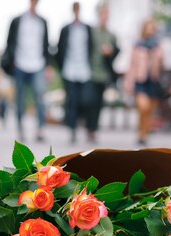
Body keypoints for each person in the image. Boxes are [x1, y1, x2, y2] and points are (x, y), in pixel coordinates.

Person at [2, 0, 50, 143]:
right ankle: (21, 129)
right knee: (20, 99)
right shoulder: (17, 21)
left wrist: (48, 65)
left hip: (38, 64)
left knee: (40, 97)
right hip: (20, 64)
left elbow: (46, 44)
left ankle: (40, 129)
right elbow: (9, 42)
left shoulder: (43, 21)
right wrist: (10, 62)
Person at [56, 2, 94, 144]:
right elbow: (59, 48)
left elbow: (91, 47)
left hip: (84, 70)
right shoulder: (66, 29)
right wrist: (61, 67)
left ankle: (85, 126)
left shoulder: (87, 29)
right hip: (69, 70)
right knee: (71, 102)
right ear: (73, 11)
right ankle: (72, 131)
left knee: (85, 100)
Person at [124, 18, 164, 147]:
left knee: (150, 111)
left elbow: (163, 65)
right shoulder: (138, 45)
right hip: (140, 80)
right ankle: (141, 131)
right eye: (148, 27)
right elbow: (132, 65)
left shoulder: (158, 46)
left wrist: (158, 56)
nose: (150, 30)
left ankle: (144, 135)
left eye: (153, 28)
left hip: (153, 80)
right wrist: (128, 82)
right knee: (143, 107)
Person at [88, 2, 119, 143]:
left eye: (107, 15)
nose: (105, 18)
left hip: (103, 74)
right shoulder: (91, 32)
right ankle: (89, 126)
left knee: (99, 102)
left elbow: (116, 53)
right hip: (90, 72)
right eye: (103, 15)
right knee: (89, 100)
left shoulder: (111, 35)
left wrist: (110, 52)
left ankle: (93, 129)